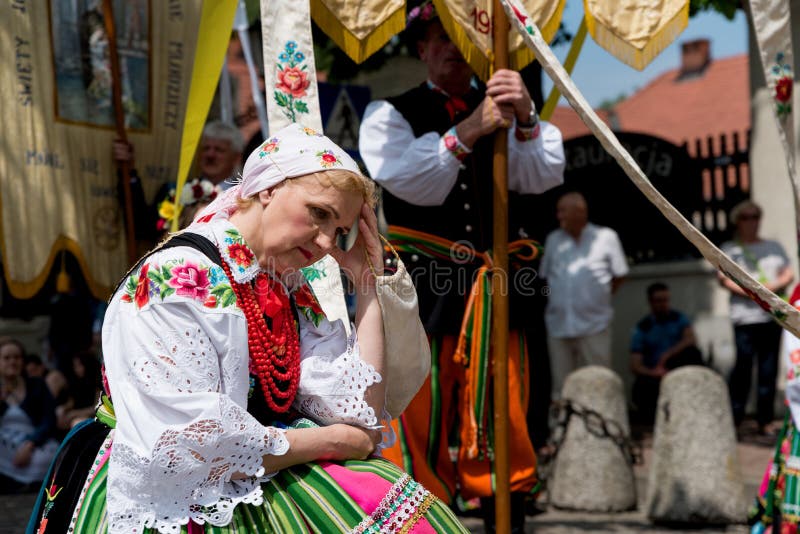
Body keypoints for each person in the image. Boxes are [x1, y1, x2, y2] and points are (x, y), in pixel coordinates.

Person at [28, 123, 468, 533]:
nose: (325, 244)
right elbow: (190, 447)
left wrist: (368, 284)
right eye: (318, 213)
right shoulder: (177, 276)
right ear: (268, 188)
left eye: (340, 232)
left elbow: (359, 417)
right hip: (171, 486)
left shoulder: (283, 284)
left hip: (252, 468)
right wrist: (331, 440)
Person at [358, 2, 565, 530]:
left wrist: (527, 117)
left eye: (462, 37)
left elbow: (539, 178)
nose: (452, 47)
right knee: (423, 404)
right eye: (440, 36)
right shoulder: (390, 114)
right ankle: (426, 517)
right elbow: (409, 181)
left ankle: (506, 510)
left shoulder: (506, 107)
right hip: (426, 289)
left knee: (507, 399)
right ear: (422, 47)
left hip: (496, 286)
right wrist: (471, 128)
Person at [539, 191, 629, 399]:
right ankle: (562, 431)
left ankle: (603, 429)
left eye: (563, 211)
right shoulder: (553, 240)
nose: (559, 216)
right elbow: (544, 278)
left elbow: (620, 275)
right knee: (561, 387)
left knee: (599, 381)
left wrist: (598, 299)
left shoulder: (606, 237)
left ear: (580, 212)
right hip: (559, 324)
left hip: (594, 323)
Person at [720, 200, 793, 435]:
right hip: (744, 318)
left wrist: (769, 290)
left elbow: (788, 273)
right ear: (737, 222)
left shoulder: (773, 246)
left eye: (756, 216)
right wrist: (755, 293)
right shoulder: (730, 249)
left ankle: (765, 420)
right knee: (742, 368)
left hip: (771, 318)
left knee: (768, 370)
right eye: (746, 217)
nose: (752, 222)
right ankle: (735, 418)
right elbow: (724, 279)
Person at [629, 282, 703, 425]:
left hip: (676, 367)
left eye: (666, 300)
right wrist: (654, 372)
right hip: (655, 375)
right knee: (641, 389)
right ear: (650, 302)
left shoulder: (678, 318)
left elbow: (690, 339)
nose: (663, 304)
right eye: (659, 301)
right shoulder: (642, 328)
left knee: (693, 354)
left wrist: (667, 355)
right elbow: (634, 365)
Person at [0, 338, 58, 494]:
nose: (12, 362)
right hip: (4, 443)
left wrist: (30, 444)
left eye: (17, 357)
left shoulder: (36, 385)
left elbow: (49, 420)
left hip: (31, 439)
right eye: (7, 358)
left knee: (49, 458)